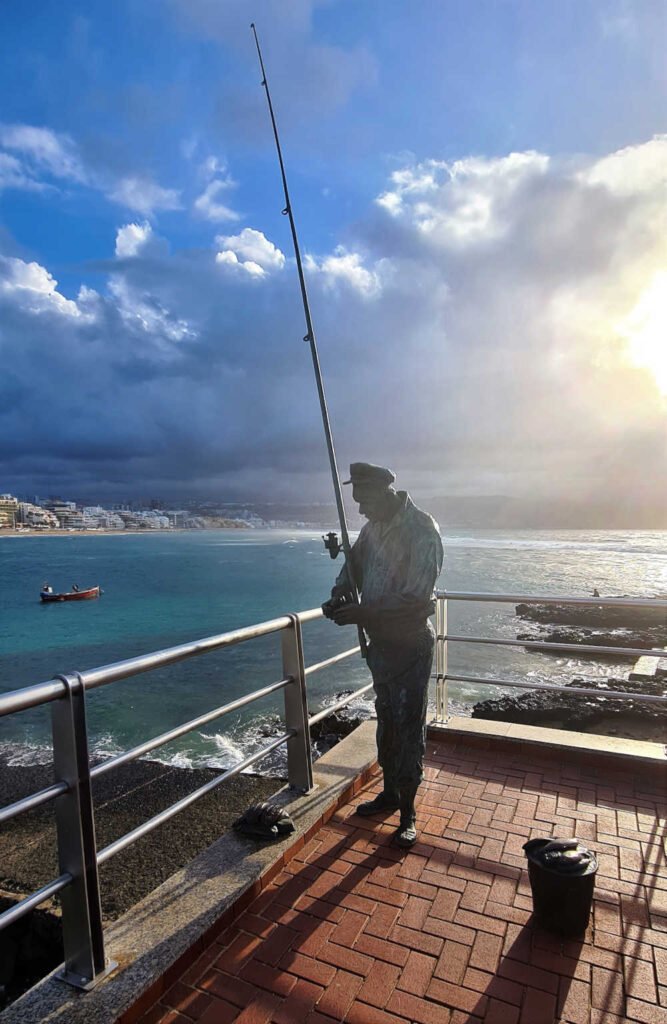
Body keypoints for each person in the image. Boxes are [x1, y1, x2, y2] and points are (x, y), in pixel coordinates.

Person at [322, 462, 443, 847]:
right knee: (386, 723)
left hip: (409, 646)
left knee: (409, 729)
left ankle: (408, 812)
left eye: (365, 499)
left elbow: (417, 595)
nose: (359, 509)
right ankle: (390, 793)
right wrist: (340, 594)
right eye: (355, 500)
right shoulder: (372, 528)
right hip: (382, 648)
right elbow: (354, 566)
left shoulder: (422, 529)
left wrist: (365, 612)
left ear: (386, 491)